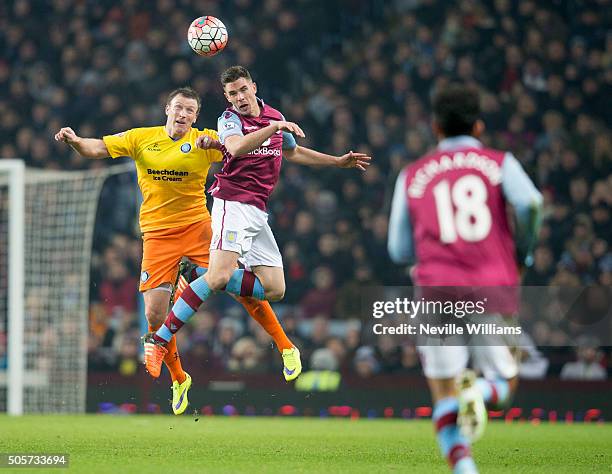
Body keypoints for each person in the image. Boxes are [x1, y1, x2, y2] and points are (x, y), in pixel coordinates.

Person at [54, 87, 300, 414]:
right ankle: (180, 378)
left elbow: (239, 148)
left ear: (196, 117)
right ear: (167, 108)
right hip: (157, 236)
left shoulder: (204, 140)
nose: (183, 115)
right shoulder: (141, 138)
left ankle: (285, 347)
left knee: (242, 289)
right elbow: (97, 147)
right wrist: (75, 142)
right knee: (155, 315)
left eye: (190, 111)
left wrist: (266, 139)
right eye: (178, 108)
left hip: (199, 228)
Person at [143, 65, 371, 380]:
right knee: (220, 277)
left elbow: (293, 152)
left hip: (257, 211)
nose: (239, 97)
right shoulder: (229, 120)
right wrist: (274, 128)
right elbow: (236, 147)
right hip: (231, 203)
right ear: (226, 97)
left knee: (275, 289)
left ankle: (195, 272)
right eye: (232, 93)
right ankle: (160, 338)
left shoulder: (275, 117)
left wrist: (336, 161)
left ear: (253, 86)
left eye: (242, 90)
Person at [388, 84, 542, 473]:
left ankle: (465, 468)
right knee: (504, 385)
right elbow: (531, 202)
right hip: (493, 283)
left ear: (435, 127)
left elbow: (398, 250)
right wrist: (520, 250)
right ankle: (482, 390)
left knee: (444, 392)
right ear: (479, 126)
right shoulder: (499, 162)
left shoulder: (412, 174)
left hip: (436, 289)